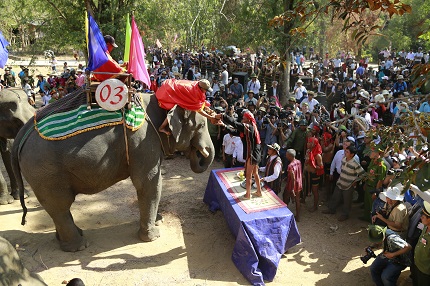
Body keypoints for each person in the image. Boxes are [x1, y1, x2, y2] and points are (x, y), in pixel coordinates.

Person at [220, 110, 262, 200]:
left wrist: (223, 116)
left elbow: (235, 124)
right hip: (255, 154)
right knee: (255, 173)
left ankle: (248, 194)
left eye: (244, 118)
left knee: (248, 175)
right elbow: (235, 132)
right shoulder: (251, 128)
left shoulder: (248, 127)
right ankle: (259, 192)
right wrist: (224, 125)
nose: (242, 119)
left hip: (252, 155)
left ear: (248, 120)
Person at [323, 144, 366, 221]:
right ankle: (331, 209)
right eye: (345, 151)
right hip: (340, 182)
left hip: (349, 186)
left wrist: (355, 182)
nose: (345, 152)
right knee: (335, 197)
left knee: (347, 201)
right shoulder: (344, 159)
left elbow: (363, 175)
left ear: (352, 154)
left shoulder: (355, 164)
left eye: (347, 152)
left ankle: (345, 214)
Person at [411, 194, 430, 286]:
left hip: (425, 272)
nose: (421, 216)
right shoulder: (425, 227)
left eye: (424, 215)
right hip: (417, 265)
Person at [303, 136, 324, 212]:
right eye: (308, 142)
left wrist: (314, 165)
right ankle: (303, 199)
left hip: (314, 175)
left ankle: (315, 206)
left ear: (314, 144)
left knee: (315, 191)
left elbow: (321, 167)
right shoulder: (308, 151)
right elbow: (305, 163)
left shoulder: (318, 155)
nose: (307, 143)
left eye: (309, 142)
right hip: (307, 173)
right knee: (305, 187)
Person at [284, 149, 303, 221]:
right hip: (299, 183)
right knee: (297, 200)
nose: (286, 156)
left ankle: (285, 214)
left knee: (285, 197)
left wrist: (292, 189)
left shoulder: (290, 166)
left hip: (291, 184)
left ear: (289, 156)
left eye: (286, 155)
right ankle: (298, 216)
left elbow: (293, 178)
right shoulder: (298, 162)